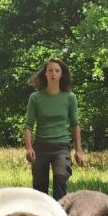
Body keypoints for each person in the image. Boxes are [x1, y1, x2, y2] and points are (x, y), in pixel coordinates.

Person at [24, 58, 85, 200]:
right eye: (50, 70)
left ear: (61, 74)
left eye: (57, 71)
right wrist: (29, 148)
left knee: (60, 180)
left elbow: (75, 124)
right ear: (45, 74)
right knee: (39, 189)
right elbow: (28, 125)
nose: (53, 73)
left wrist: (79, 150)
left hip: (61, 147)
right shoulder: (35, 97)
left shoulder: (70, 98)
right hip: (40, 147)